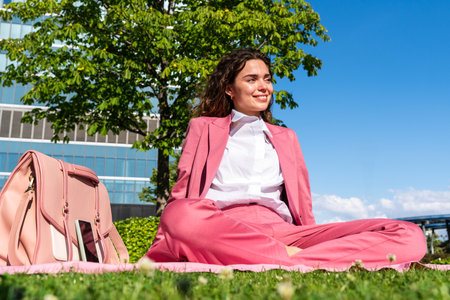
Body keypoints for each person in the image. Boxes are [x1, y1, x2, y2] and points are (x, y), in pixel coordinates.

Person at [145, 49, 426, 269]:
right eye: (252, 79)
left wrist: (301, 238)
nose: (263, 86)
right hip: (224, 226)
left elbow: (303, 201)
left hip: (285, 232)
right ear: (229, 89)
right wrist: (164, 239)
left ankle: (288, 259)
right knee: (180, 213)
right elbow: (183, 191)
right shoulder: (203, 127)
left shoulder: (286, 137)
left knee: (408, 234)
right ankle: (302, 260)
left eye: (267, 78)